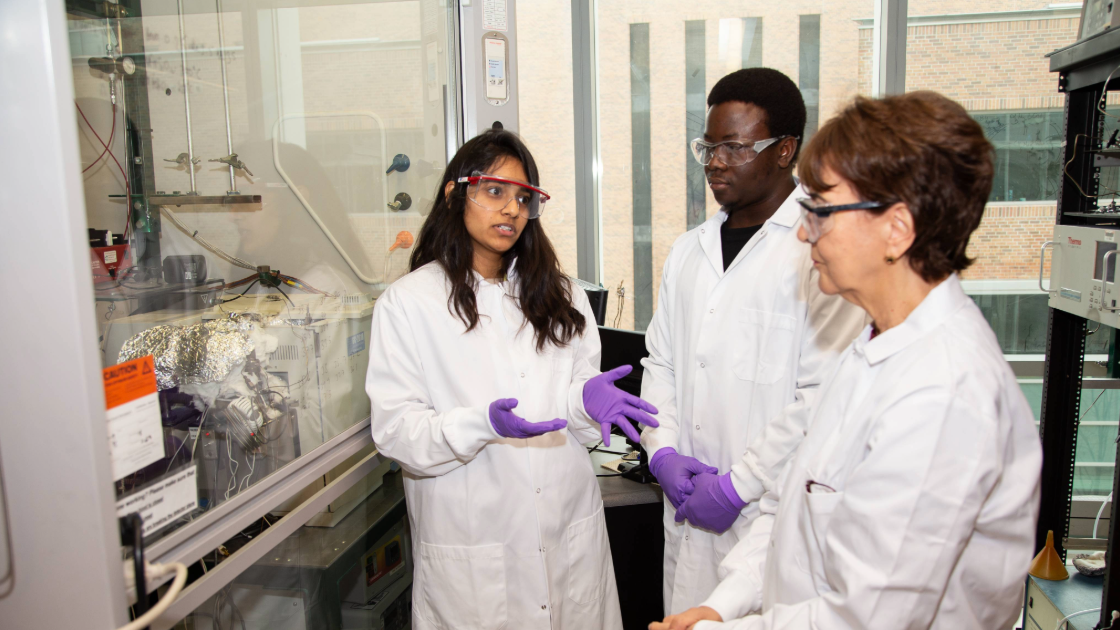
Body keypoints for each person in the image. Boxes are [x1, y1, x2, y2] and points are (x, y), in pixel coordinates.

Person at [652, 91, 1043, 630]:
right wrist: (724, 601)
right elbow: (796, 502)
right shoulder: (872, 350)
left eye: (823, 210)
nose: (805, 230)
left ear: (897, 229)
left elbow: (871, 616)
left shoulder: (944, 393)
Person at [365, 128, 658, 630]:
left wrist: (584, 404)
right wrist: (481, 424)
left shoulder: (562, 295)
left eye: (523, 197)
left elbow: (582, 430)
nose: (511, 209)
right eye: (495, 191)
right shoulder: (410, 303)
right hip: (472, 548)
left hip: (568, 536)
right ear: (456, 194)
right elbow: (396, 434)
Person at [639, 67, 866, 614]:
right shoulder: (686, 253)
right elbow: (661, 363)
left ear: (785, 149)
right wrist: (662, 451)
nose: (716, 162)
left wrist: (739, 485)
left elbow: (822, 397)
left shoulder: (819, 253)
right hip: (687, 510)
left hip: (771, 515)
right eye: (709, 147)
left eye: (735, 148)